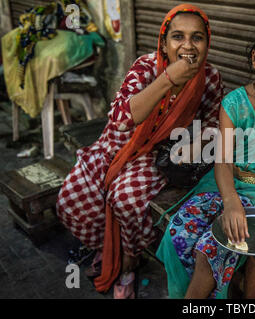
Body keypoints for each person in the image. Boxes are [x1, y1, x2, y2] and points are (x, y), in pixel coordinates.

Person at [56, 4, 223, 298]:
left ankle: (129, 264)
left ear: (207, 43)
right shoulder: (146, 67)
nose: (187, 45)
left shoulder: (209, 78)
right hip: (117, 145)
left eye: (197, 38)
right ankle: (107, 249)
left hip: (155, 156)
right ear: (164, 41)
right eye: (178, 37)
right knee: (70, 200)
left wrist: (191, 148)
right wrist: (169, 79)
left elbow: (211, 125)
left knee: (126, 199)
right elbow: (121, 119)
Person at [157, 19, 255, 299]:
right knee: (179, 231)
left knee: (214, 247)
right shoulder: (235, 103)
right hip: (223, 186)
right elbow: (223, 161)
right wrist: (230, 202)